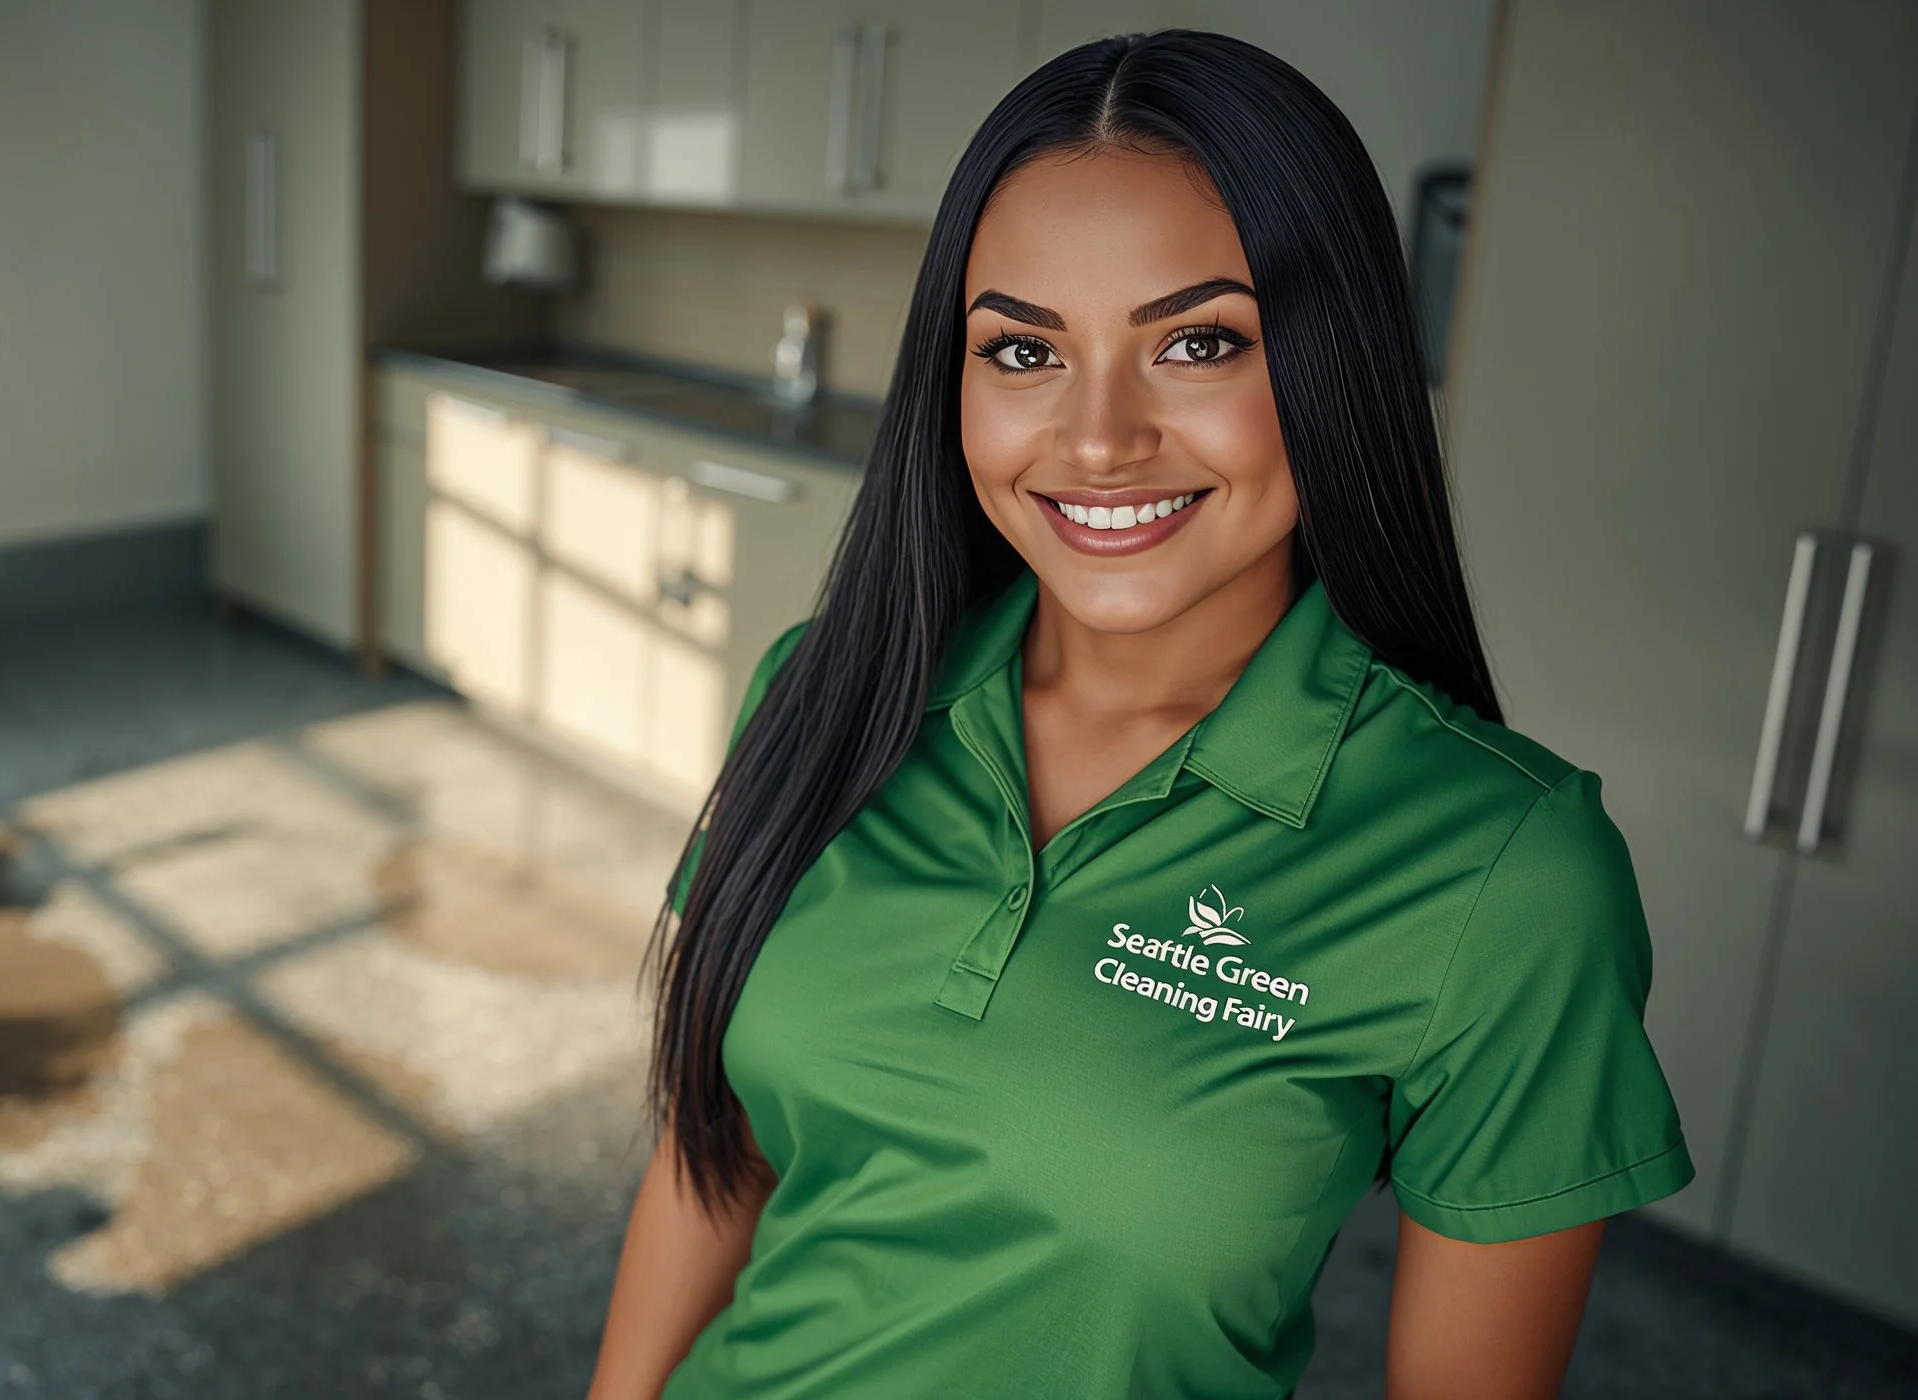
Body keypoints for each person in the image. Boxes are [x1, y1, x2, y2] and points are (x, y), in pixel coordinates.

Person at [586, 29, 1693, 1400]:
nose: (1099, 439)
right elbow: (714, 1167)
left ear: (1333, 366)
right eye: (1024, 351)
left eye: (1199, 341)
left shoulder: (1507, 870)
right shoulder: (826, 690)